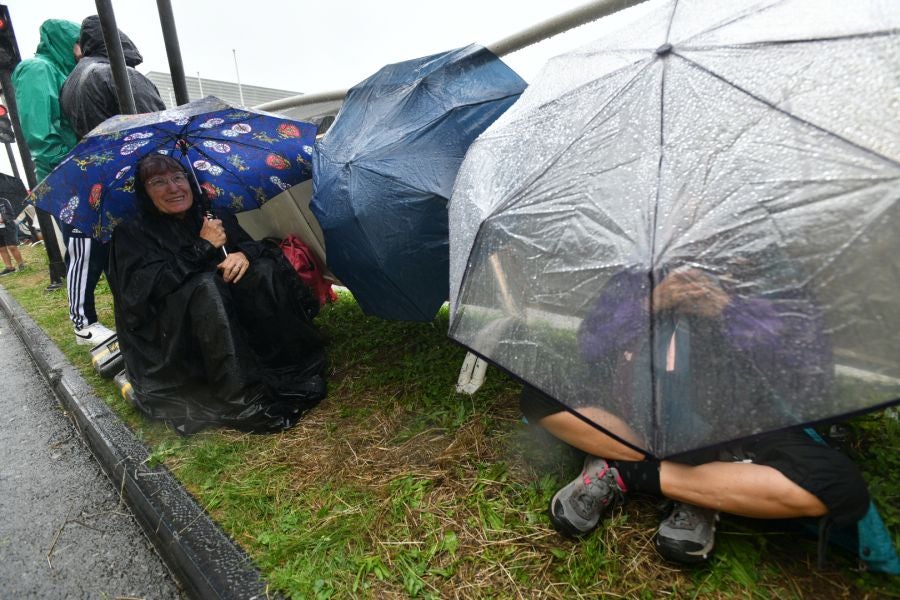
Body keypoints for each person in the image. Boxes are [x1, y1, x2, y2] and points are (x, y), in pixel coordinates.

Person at [524, 265, 870, 565]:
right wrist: (651, 303)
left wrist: (728, 311)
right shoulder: (641, 268)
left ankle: (638, 473)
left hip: (738, 428)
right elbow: (591, 344)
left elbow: (807, 370)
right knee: (538, 393)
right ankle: (695, 481)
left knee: (838, 486)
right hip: (633, 411)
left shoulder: (775, 278)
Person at [108, 153, 328, 434]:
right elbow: (140, 297)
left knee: (259, 271)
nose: (174, 188)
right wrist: (202, 246)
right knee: (206, 287)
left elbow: (256, 247)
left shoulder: (212, 216)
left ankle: (288, 363)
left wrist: (242, 254)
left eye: (178, 177)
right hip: (175, 340)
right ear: (145, 193)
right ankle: (241, 397)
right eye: (158, 182)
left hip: (234, 320)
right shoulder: (132, 234)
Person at [54, 15, 166, 346]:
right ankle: (86, 322)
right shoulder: (119, 74)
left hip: (90, 172)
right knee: (100, 250)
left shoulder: (73, 79)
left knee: (90, 250)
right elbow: (154, 124)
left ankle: (87, 319)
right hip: (125, 174)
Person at [11, 18, 115, 346]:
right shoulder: (37, 70)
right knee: (84, 245)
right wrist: (73, 172)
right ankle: (83, 323)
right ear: (64, 42)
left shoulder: (61, 71)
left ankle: (99, 316)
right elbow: (40, 135)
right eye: (78, 44)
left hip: (79, 170)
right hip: (68, 174)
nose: (81, 51)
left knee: (96, 243)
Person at [0, 196, 27, 274]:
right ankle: (9, 267)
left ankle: (21, 265)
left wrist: (3, 219)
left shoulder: (4, 201)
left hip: (8, 226)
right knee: (1, 248)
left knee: (12, 246)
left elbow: (11, 214)